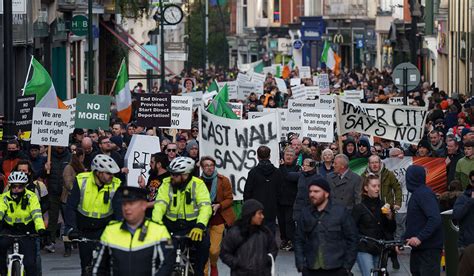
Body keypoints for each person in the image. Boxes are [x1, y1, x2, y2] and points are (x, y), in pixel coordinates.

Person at [92, 186, 174, 275]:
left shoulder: (159, 230)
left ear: (144, 205)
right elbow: (98, 267)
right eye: (124, 204)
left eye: (131, 203)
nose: (126, 208)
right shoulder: (110, 230)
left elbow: (167, 265)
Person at [152, 157, 212, 276]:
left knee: (204, 245)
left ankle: (199, 272)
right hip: (171, 226)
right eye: (171, 173)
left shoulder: (198, 185)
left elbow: (205, 206)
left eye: (175, 174)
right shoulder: (166, 184)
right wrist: (156, 223)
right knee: (163, 253)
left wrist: (200, 225)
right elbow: (160, 205)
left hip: (193, 226)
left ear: (185, 175)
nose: (171, 177)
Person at [64, 154, 122, 275]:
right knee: (86, 266)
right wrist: (71, 228)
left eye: (113, 173)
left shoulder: (116, 184)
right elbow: (70, 207)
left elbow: (119, 210)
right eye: (108, 173)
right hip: (84, 229)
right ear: (98, 172)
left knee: (106, 266)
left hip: (104, 228)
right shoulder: (81, 180)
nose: (112, 176)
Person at [294, 178, 358, 276]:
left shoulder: (340, 212)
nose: (312, 194)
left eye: (316, 191)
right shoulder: (305, 213)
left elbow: (352, 239)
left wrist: (346, 267)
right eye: (310, 191)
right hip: (311, 268)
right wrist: (301, 264)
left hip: (336, 267)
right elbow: (298, 239)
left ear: (326, 193)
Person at [0, 171, 46, 276]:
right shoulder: (4, 197)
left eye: (20, 187)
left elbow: (37, 214)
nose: (16, 189)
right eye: (14, 186)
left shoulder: (31, 197)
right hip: (9, 230)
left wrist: (41, 229)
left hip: (27, 231)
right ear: (10, 186)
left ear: (24, 186)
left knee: (30, 264)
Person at [400, 165, 443, 276]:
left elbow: (435, 218)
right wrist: (403, 239)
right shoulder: (417, 193)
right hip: (419, 249)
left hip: (429, 250)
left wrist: (420, 237)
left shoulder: (424, 194)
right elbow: (416, 222)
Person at [352, 175, 396, 276]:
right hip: (364, 247)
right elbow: (352, 229)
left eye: (378, 186)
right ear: (366, 188)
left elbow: (391, 229)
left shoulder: (383, 205)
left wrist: (390, 217)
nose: (377, 189)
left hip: (379, 248)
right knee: (369, 274)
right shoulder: (359, 208)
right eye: (374, 186)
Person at [220, 199, 278, 276]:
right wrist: (238, 263)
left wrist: (266, 260)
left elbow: (273, 249)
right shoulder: (236, 232)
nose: (262, 216)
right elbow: (224, 253)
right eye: (259, 213)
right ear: (251, 215)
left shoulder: (265, 232)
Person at [200, 156, 236, 276]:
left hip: (218, 218)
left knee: (214, 250)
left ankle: (213, 264)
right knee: (203, 249)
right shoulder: (198, 182)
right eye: (206, 165)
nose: (209, 168)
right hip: (202, 219)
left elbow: (229, 199)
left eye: (211, 165)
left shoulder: (223, 180)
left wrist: (218, 205)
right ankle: (204, 272)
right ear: (202, 168)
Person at [243, 146, 282, 234]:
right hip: (272, 209)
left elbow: (247, 192)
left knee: (256, 236)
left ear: (257, 156)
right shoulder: (277, 172)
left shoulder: (253, 172)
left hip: (256, 210)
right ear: (269, 156)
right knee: (270, 236)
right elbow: (281, 192)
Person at [44, 146, 71, 253]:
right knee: (52, 220)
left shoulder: (70, 157)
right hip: (53, 193)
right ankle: (51, 243)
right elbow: (41, 175)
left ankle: (68, 245)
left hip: (66, 194)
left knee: (68, 221)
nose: (60, 147)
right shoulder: (48, 158)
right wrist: (45, 168)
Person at [62, 148, 86, 257]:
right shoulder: (69, 167)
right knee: (68, 225)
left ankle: (76, 242)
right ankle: (67, 247)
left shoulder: (81, 168)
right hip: (68, 200)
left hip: (80, 201)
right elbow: (68, 183)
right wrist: (76, 192)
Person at [277, 147, 300, 251]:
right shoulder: (278, 168)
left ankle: (291, 240)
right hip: (279, 199)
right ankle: (284, 239)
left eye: (291, 155)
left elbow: (289, 177)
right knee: (281, 221)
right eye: (287, 155)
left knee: (289, 222)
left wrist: (282, 166)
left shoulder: (297, 168)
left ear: (294, 157)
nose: (289, 157)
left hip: (291, 200)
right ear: (283, 156)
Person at [138, 152, 170, 218]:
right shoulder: (153, 175)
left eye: (152, 162)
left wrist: (146, 205)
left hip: (160, 215)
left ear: (159, 164)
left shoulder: (168, 178)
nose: (150, 164)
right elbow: (149, 193)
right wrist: (143, 186)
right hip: (148, 213)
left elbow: (163, 200)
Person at [452, 171, 474, 253]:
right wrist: (470, 202)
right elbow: (456, 215)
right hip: (466, 245)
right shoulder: (463, 197)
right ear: (470, 181)